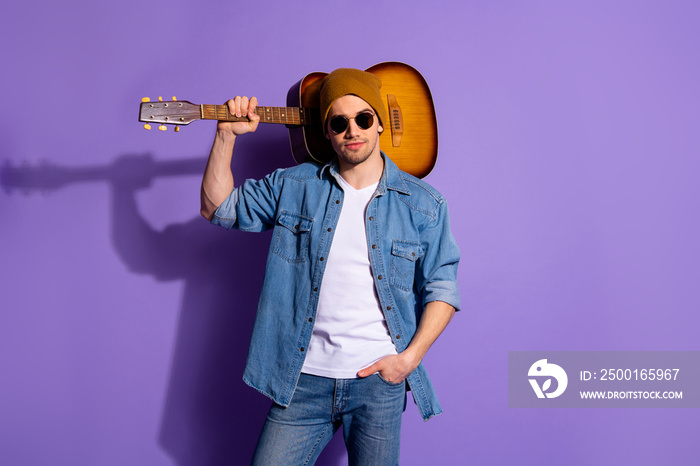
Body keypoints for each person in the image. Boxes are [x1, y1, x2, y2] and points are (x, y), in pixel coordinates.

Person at [200, 67, 461, 465]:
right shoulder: (295, 186)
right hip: (302, 380)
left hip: (378, 384)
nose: (352, 130)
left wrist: (407, 361)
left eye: (363, 119)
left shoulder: (423, 204)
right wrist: (225, 135)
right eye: (339, 123)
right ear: (326, 132)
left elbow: (442, 288)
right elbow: (217, 207)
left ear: (379, 125)